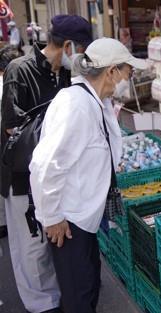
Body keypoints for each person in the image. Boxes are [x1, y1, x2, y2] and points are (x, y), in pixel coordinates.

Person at [29, 37, 147, 313]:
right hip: (69, 222)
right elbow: (45, 165)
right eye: (128, 71)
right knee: (78, 295)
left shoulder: (95, 100)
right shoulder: (76, 106)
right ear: (111, 72)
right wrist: (52, 218)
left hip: (83, 216)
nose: (129, 78)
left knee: (88, 282)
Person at [1, 15, 92, 313]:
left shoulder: (67, 74)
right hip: (21, 174)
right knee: (31, 246)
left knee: (54, 236)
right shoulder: (19, 70)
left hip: (57, 173)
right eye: (81, 48)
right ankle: (41, 306)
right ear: (68, 46)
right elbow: (12, 127)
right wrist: (57, 133)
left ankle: (58, 297)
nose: (82, 55)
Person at [0, 46, 23, 239]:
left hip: (7, 167)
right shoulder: (10, 86)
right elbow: (11, 128)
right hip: (14, 166)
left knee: (17, 234)